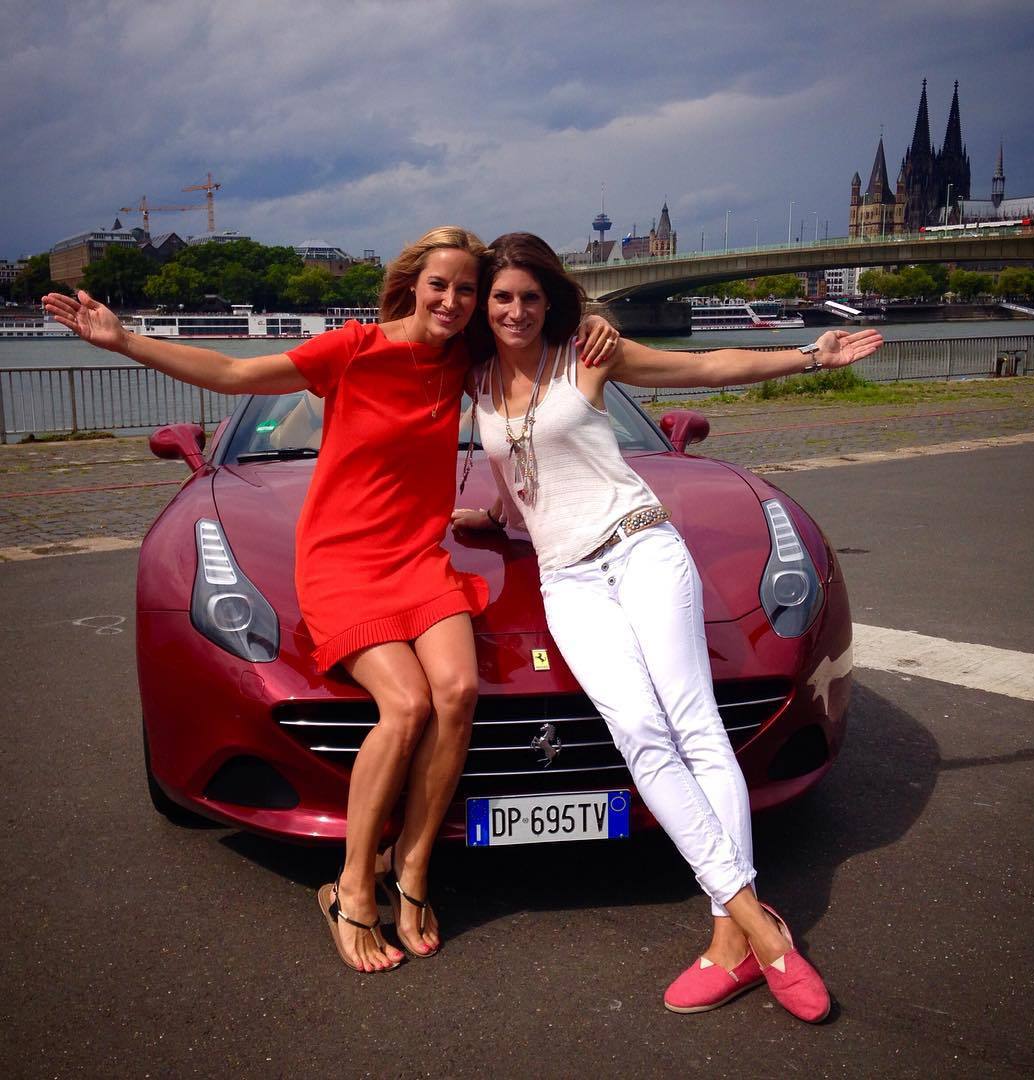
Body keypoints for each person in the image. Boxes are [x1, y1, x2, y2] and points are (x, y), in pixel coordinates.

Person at [42, 226, 618, 976]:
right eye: (440, 284)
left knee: (457, 689)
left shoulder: (463, 358)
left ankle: (411, 871)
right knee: (405, 704)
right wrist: (125, 341)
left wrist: (595, 322)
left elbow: (533, 336)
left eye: (465, 290)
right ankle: (351, 887)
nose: (452, 300)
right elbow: (232, 372)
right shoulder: (352, 349)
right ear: (413, 284)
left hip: (419, 558)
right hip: (344, 561)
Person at [452, 232, 883, 1021]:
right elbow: (522, 472)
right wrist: (492, 517)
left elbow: (705, 367)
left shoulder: (586, 355)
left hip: (642, 548)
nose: (515, 311)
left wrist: (809, 357)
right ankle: (762, 929)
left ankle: (730, 936)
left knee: (694, 726)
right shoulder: (475, 381)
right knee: (639, 733)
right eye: (502, 297)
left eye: (530, 297)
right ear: (484, 304)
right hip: (568, 578)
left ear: (551, 301)